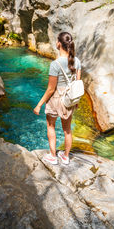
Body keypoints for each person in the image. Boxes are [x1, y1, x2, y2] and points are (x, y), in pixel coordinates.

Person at [33, 31, 81, 165]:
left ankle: (53, 156)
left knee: (51, 126)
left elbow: (50, 89)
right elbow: (77, 84)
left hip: (55, 100)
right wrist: (76, 101)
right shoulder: (76, 61)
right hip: (68, 100)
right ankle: (66, 157)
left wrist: (39, 104)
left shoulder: (55, 64)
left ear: (59, 44)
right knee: (67, 129)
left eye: (56, 41)